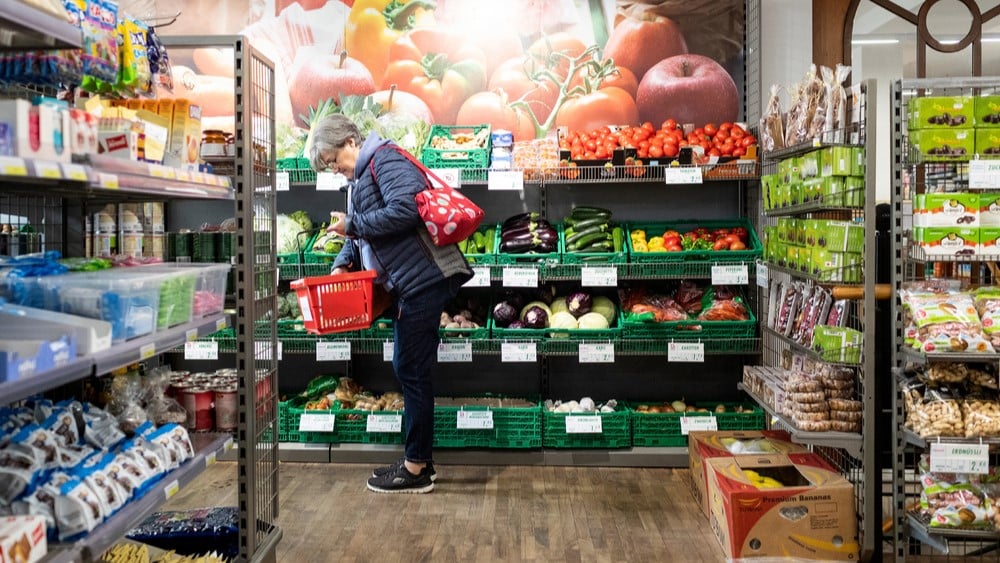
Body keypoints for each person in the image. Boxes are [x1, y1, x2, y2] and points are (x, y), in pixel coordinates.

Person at [309, 114, 473, 494]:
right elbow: (359, 232)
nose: (337, 170)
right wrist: (340, 265)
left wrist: (353, 225)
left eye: (335, 160)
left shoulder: (386, 158)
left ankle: (416, 468)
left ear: (351, 141)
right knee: (409, 368)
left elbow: (407, 209)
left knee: (410, 368)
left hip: (424, 279)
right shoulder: (360, 179)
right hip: (405, 284)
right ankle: (418, 460)